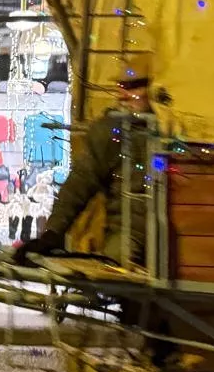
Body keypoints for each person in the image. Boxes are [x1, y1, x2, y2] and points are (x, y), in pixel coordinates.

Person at [15, 76, 151, 266]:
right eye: (122, 86)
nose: (123, 95)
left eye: (134, 87)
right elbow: (81, 181)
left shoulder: (171, 129)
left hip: (169, 236)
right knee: (117, 262)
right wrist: (53, 233)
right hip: (128, 233)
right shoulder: (112, 130)